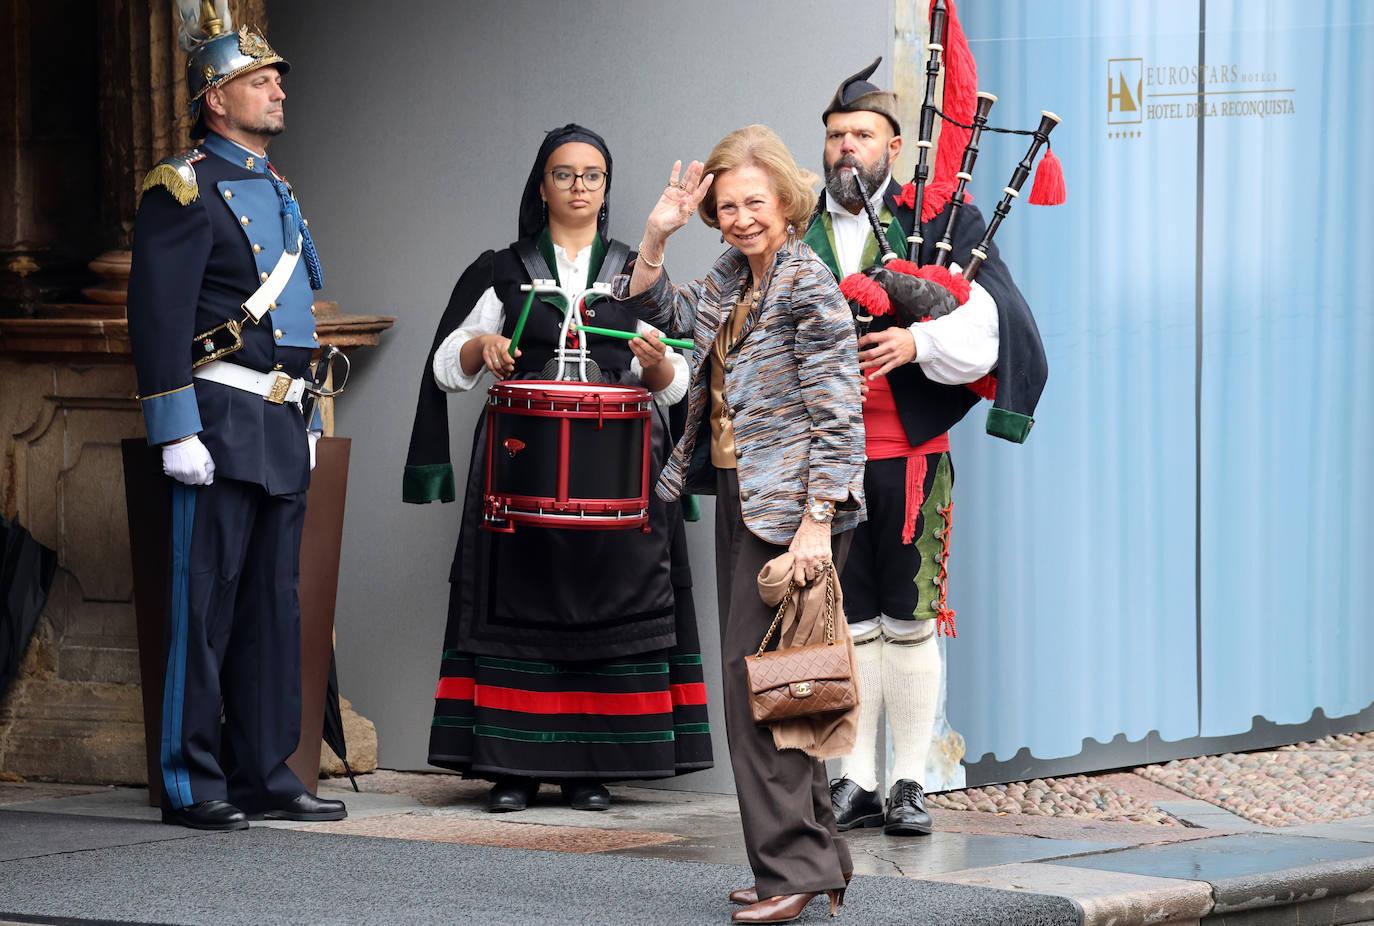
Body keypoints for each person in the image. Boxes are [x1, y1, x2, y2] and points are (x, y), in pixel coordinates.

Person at [403, 124, 712, 814]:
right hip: (520, 471)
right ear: (541, 186)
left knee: (610, 607)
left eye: (592, 175)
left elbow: (679, 384)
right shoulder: (503, 270)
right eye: (564, 174)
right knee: (521, 605)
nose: (578, 187)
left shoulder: (638, 273)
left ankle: (589, 770)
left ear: (606, 189)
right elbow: (446, 364)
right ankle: (510, 767)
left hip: (621, 472)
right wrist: (483, 348)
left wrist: (659, 367)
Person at [618, 125, 865, 924]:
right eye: (726, 207)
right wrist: (657, 235)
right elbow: (664, 310)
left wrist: (817, 524)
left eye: (754, 202)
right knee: (784, 685)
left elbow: (840, 416)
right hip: (744, 497)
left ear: (787, 201)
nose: (741, 218)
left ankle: (793, 869)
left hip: (795, 512)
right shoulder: (735, 275)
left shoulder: (807, 285)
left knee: (762, 686)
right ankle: (811, 861)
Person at [807, 55, 1047, 837]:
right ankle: (856, 780)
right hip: (824, 458)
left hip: (909, 454)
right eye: (835, 135)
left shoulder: (943, 220)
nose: (846, 147)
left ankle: (909, 781)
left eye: (861, 134)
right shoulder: (800, 226)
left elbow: (992, 326)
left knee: (908, 618)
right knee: (848, 622)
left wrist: (916, 342)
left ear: (893, 145)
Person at [126, 6, 345, 831]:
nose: (278, 90)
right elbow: (157, 316)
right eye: (260, 80)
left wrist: (309, 415)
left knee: (271, 609)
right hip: (216, 418)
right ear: (216, 98)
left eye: (277, 78)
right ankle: (192, 779)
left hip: (280, 419)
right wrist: (174, 426)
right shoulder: (181, 185)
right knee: (203, 605)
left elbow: (294, 317)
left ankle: (265, 772)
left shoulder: (277, 185)